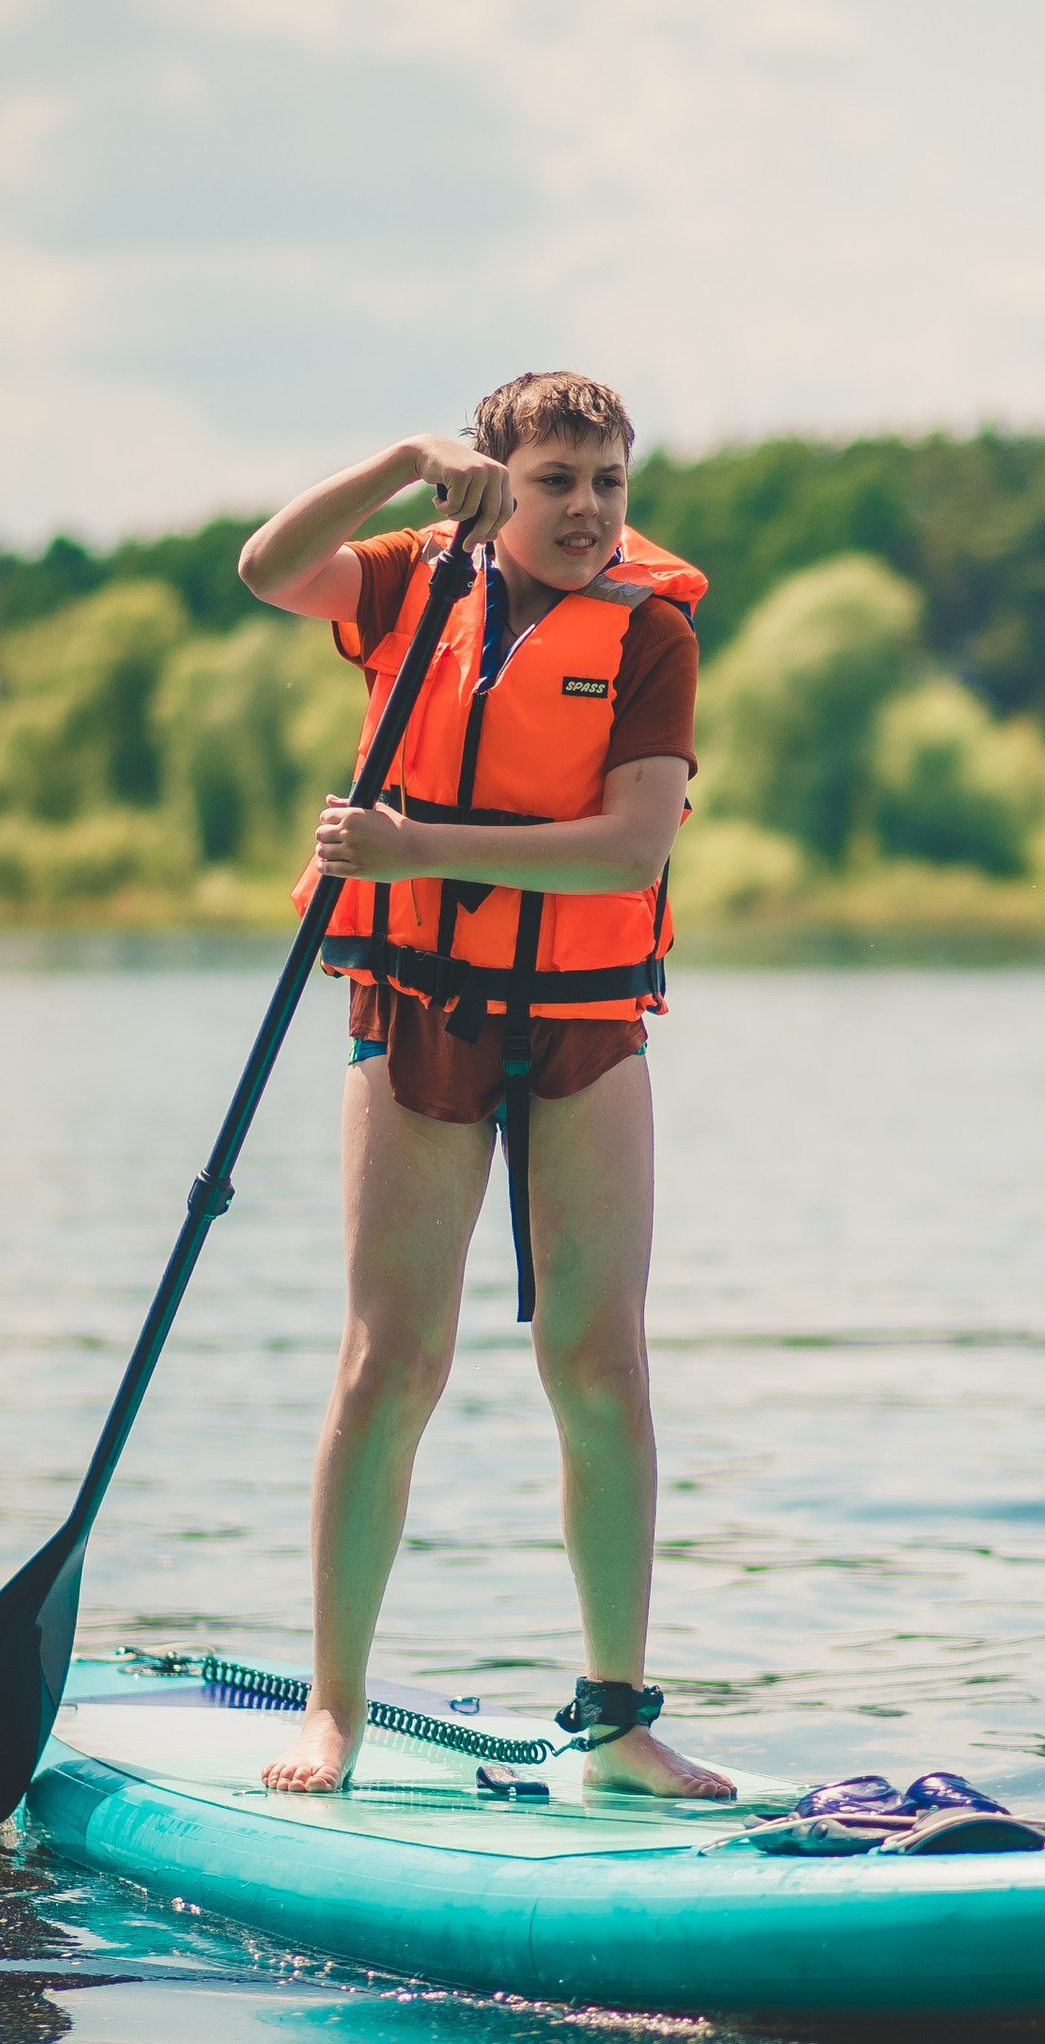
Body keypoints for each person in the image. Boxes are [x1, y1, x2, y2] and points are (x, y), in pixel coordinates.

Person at [239, 371, 732, 1804]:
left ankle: (617, 1719)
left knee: (600, 1359)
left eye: (610, 484)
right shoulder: (405, 587)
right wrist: (399, 457)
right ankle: (335, 1712)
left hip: (584, 1020)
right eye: (556, 481)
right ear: (495, 482)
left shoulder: (650, 636)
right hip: (420, 1010)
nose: (587, 510)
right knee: (391, 1361)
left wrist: (420, 848)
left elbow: (632, 848)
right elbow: (266, 567)